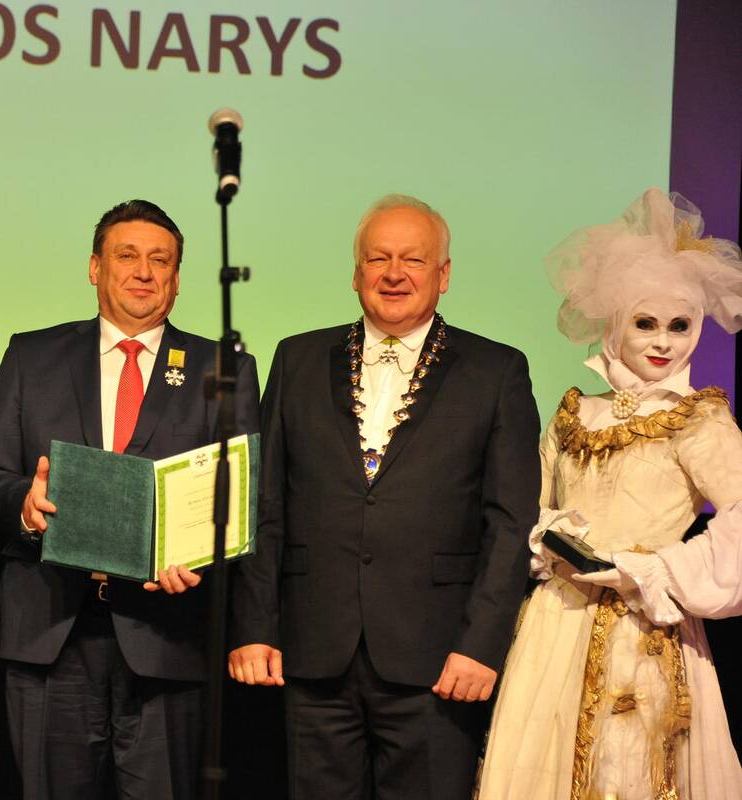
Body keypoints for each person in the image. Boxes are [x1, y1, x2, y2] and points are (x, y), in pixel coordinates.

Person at [229, 194, 541, 798]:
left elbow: (509, 523)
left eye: (413, 260)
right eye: (378, 258)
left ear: (443, 275)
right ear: (356, 274)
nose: (394, 273)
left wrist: (481, 645)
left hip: (438, 660)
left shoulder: (496, 371)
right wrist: (255, 626)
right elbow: (264, 506)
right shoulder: (297, 358)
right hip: (312, 654)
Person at [0, 199, 260, 799]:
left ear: (177, 278)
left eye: (161, 260)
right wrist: (25, 506)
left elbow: (240, 499)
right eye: (127, 256)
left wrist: (203, 557)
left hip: (168, 638)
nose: (144, 272)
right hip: (50, 631)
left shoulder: (224, 369)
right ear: (94, 268)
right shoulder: (31, 356)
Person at [477, 188, 742, 799]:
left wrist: (650, 569)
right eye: (645, 323)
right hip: (559, 622)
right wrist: (550, 535)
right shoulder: (576, 412)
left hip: (646, 625)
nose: (663, 342)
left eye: (679, 326)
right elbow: (528, 506)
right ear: (615, 324)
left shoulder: (699, 420)